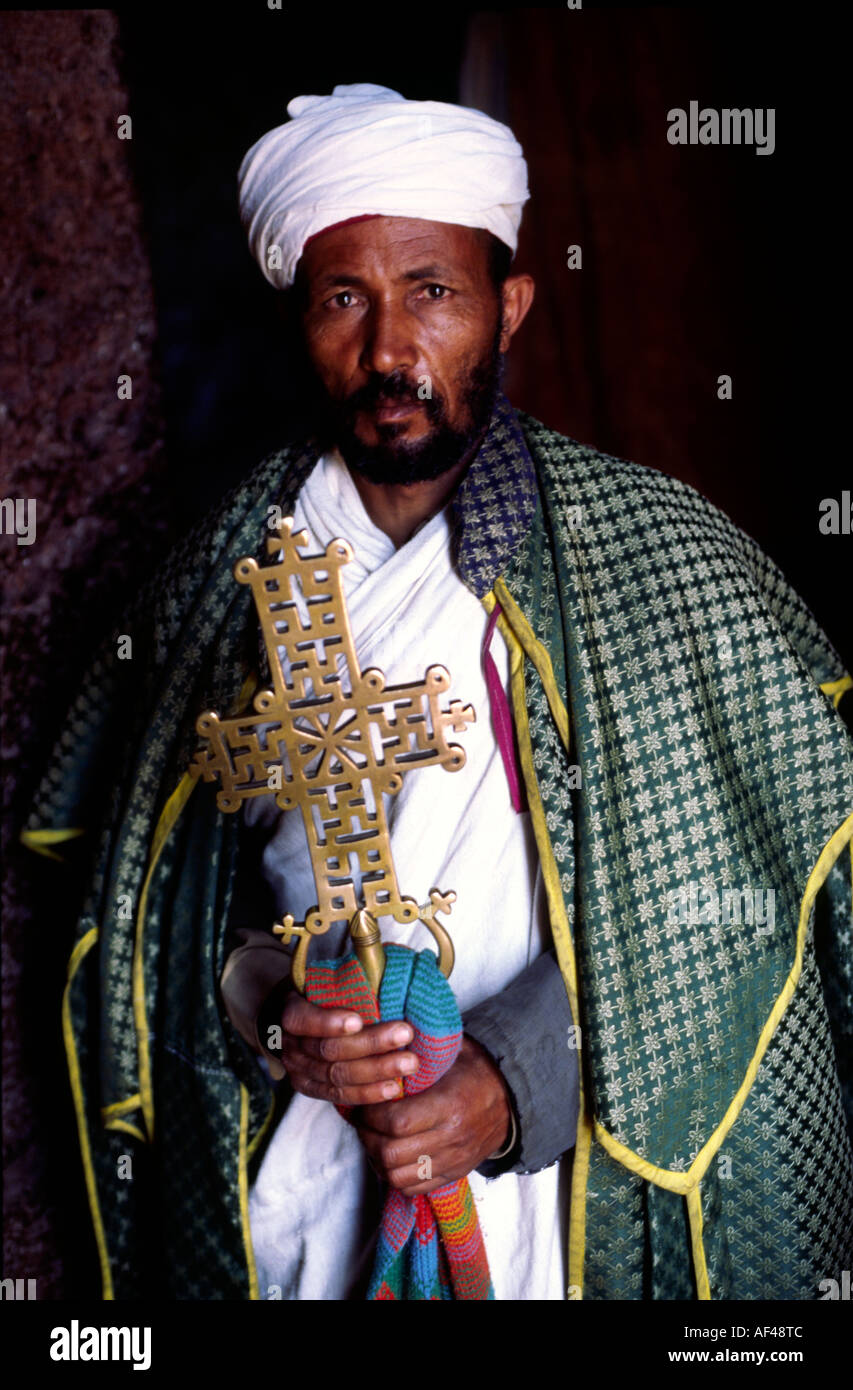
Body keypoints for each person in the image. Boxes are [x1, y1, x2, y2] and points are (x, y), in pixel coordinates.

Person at [23, 84, 853, 1302]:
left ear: (508, 306)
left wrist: (517, 1081)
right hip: (310, 1187)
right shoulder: (217, 578)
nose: (389, 351)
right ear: (297, 322)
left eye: (434, 293)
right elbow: (151, 914)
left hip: (568, 1206)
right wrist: (269, 1010)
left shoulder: (658, 555)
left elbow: (732, 908)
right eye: (344, 300)